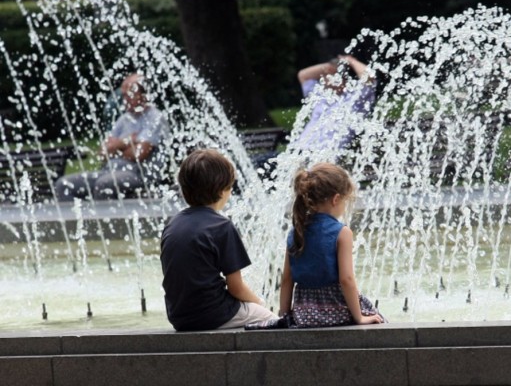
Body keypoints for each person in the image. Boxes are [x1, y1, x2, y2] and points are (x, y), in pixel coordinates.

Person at [160, 149, 277, 331]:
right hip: (214, 314)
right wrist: (260, 303)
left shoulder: (172, 225)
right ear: (222, 191)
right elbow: (236, 288)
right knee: (273, 321)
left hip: (179, 317)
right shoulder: (221, 226)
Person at [278, 162, 384, 327]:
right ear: (336, 199)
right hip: (336, 310)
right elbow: (346, 280)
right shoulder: (342, 232)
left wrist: (284, 316)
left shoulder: (296, 231)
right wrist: (359, 318)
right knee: (378, 318)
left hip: (303, 314)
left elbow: (287, 279)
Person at [55, 73, 169, 201]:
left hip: (139, 174)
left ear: (144, 95)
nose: (125, 99)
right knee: (63, 185)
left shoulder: (154, 118)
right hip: (108, 171)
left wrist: (116, 147)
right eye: (124, 95)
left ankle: (103, 215)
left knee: (104, 184)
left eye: (130, 94)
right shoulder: (123, 119)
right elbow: (102, 153)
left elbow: (138, 154)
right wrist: (127, 142)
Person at [296, 54, 376, 151]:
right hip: (299, 151)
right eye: (324, 75)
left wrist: (351, 61)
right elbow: (303, 75)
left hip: (326, 154)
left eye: (329, 74)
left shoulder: (355, 98)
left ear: (343, 78)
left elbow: (369, 77)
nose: (324, 78)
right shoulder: (320, 95)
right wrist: (329, 65)